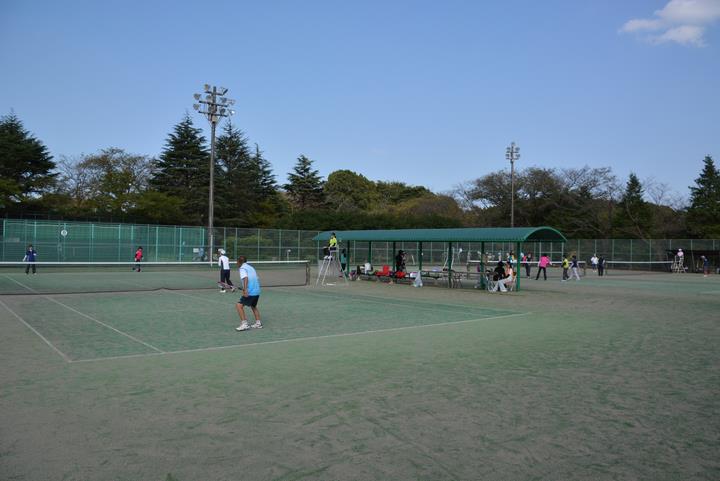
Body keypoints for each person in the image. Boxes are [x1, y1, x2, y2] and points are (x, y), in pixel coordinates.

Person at [235, 255, 263, 331]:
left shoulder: (242, 268)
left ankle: (244, 324)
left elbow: (246, 278)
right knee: (253, 306)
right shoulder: (251, 267)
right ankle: (258, 323)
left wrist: (245, 289)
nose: (236, 263)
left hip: (250, 292)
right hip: (257, 291)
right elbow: (256, 278)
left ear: (240, 262)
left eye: (237, 262)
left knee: (238, 305)